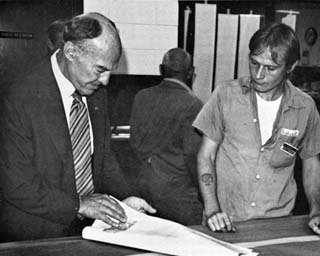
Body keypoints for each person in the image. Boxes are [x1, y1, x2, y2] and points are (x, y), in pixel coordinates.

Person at [0, 12, 156, 242]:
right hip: (36, 237)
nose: (105, 81)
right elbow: (16, 184)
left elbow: (103, 157)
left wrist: (123, 201)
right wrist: (80, 205)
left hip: (87, 231)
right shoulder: (18, 95)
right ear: (71, 52)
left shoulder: (94, 91)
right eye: (100, 69)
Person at [193, 23, 320, 234]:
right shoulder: (226, 95)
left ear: (291, 67)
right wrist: (212, 209)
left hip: (277, 223)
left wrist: (316, 209)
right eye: (254, 63)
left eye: (270, 68)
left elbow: (311, 162)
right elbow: (206, 156)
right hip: (226, 221)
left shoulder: (304, 107)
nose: (259, 74)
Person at [129, 48, 203, 225]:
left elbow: (134, 143)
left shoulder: (142, 96)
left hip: (143, 189)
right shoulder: (193, 104)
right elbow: (192, 155)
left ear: (161, 70)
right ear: (191, 73)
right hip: (179, 196)